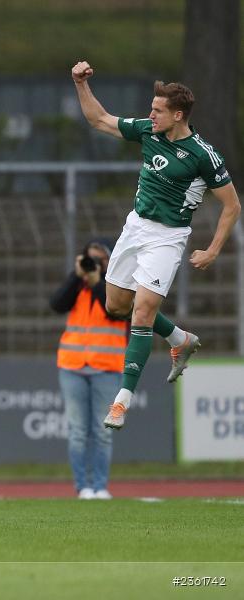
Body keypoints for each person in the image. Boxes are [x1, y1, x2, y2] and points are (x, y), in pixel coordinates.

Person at [71, 60, 241, 430]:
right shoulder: (148, 131)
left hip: (168, 237)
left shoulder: (202, 156)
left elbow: (232, 205)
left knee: (142, 313)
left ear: (178, 115)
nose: (150, 115)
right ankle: (180, 338)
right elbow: (99, 119)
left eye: (158, 110)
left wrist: (212, 250)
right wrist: (80, 84)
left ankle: (121, 402)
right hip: (135, 228)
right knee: (116, 304)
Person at [50, 239, 124, 500]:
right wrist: (76, 275)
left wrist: (95, 281)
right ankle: (83, 487)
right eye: (89, 258)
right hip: (73, 366)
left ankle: (101, 486)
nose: (94, 263)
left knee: (103, 432)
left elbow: (114, 311)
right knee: (78, 432)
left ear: (110, 260)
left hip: (106, 367)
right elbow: (57, 303)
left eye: (99, 259)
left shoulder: (119, 286)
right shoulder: (78, 285)